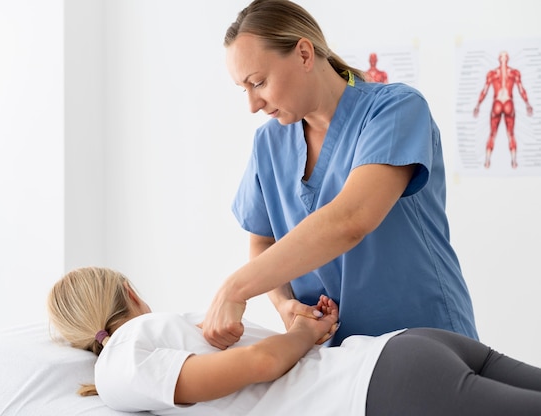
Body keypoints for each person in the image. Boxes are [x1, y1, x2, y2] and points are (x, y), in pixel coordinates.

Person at [201, 0, 478, 350]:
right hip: (336, 356)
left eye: (259, 82)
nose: (253, 104)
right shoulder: (269, 143)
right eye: (245, 89)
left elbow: (350, 219)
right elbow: (263, 239)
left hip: (424, 339)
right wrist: (283, 303)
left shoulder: (394, 110)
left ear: (304, 54)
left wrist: (236, 288)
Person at [47, 267, 541, 416]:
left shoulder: (118, 365)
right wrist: (306, 334)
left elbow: (262, 365)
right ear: (131, 293)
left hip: (387, 389)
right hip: (408, 350)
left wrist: (303, 332)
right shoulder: (162, 333)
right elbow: (265, 365)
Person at [473, 50, 534, 169]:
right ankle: (514, 161)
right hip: (508, 103)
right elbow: (521, 89)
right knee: (510, 134)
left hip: (497, 103)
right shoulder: (514, 73)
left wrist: (478, 105)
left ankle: (487, 161)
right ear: (507, 59)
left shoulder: (492, 74)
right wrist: (527, 104)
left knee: (493, 134)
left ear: (499, 59)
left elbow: (485, 90)